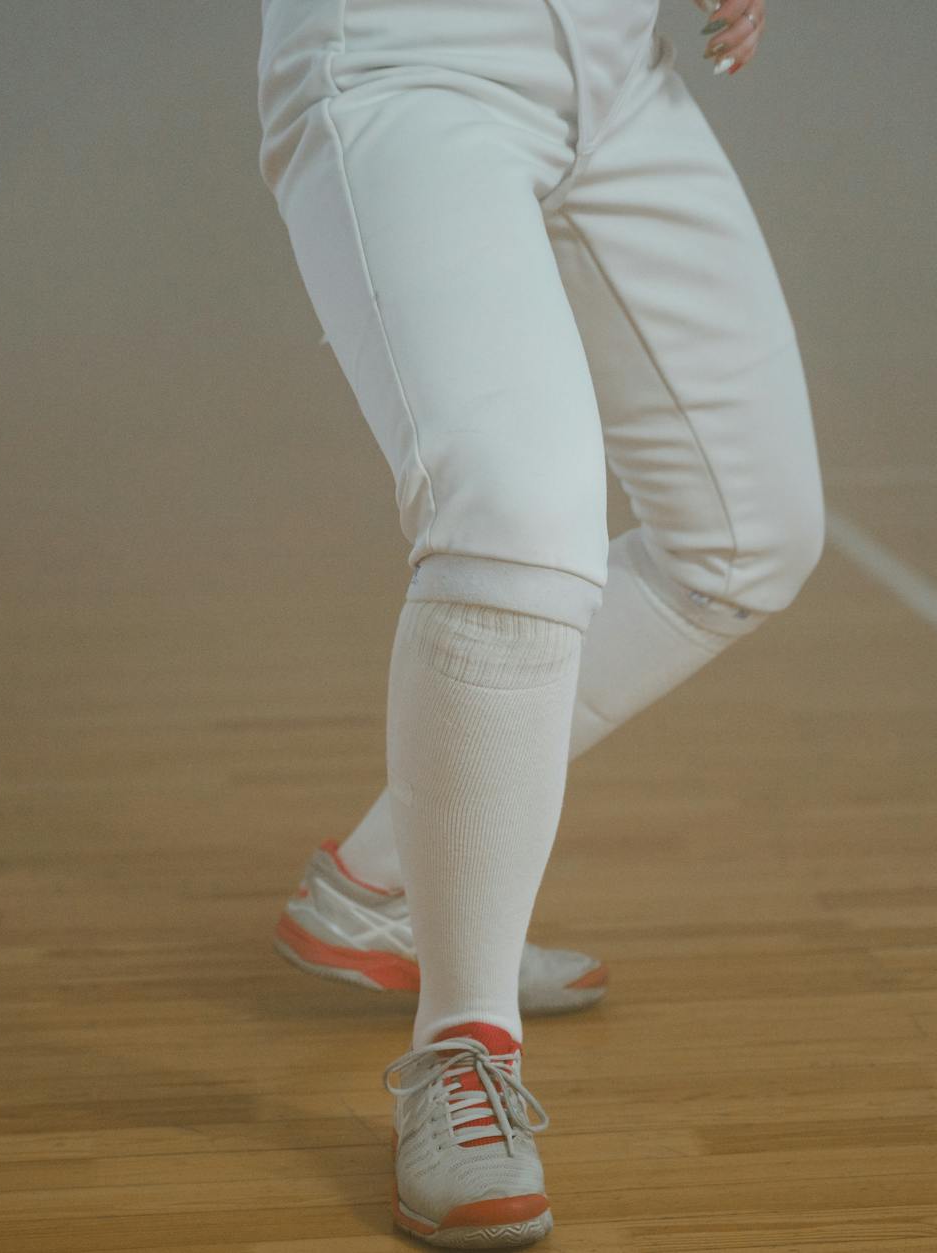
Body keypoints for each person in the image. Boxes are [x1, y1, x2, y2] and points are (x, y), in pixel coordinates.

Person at [255, 0, 822, 1244]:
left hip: (620, 73)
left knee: (750, 533)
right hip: (406, 58)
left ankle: (377, 883)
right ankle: (461, 1044)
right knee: (512, 512)